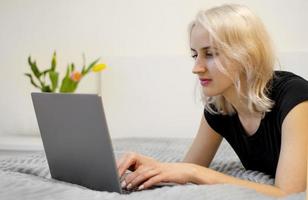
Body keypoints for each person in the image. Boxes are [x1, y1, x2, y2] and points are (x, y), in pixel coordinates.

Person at [116, 4, 307, 197]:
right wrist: (154, 167)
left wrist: (196, 172)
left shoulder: (295, 98)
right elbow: (188, 169)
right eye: (194, 55)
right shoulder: (219, 106)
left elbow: (289, 193)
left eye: (210, 54)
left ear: (246, 54)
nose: (196, 68)